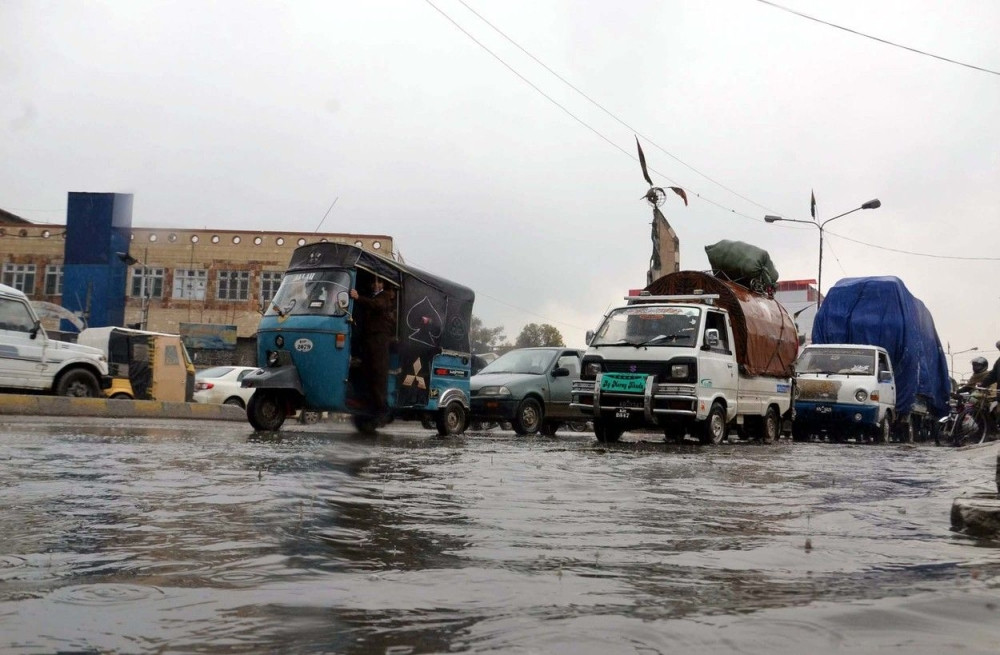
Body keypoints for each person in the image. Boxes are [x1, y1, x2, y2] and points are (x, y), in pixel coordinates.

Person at [349, 276, 396, 421]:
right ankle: (370, 405)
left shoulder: (384, 296)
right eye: (374, 281)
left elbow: (376, 305)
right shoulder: (373, 297)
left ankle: (381, 408)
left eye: (379, 282)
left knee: (378, 372)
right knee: (368, 371)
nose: (376, 284)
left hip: (379, 340)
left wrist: (358, 297)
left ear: (383, 284)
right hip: (370, 340)